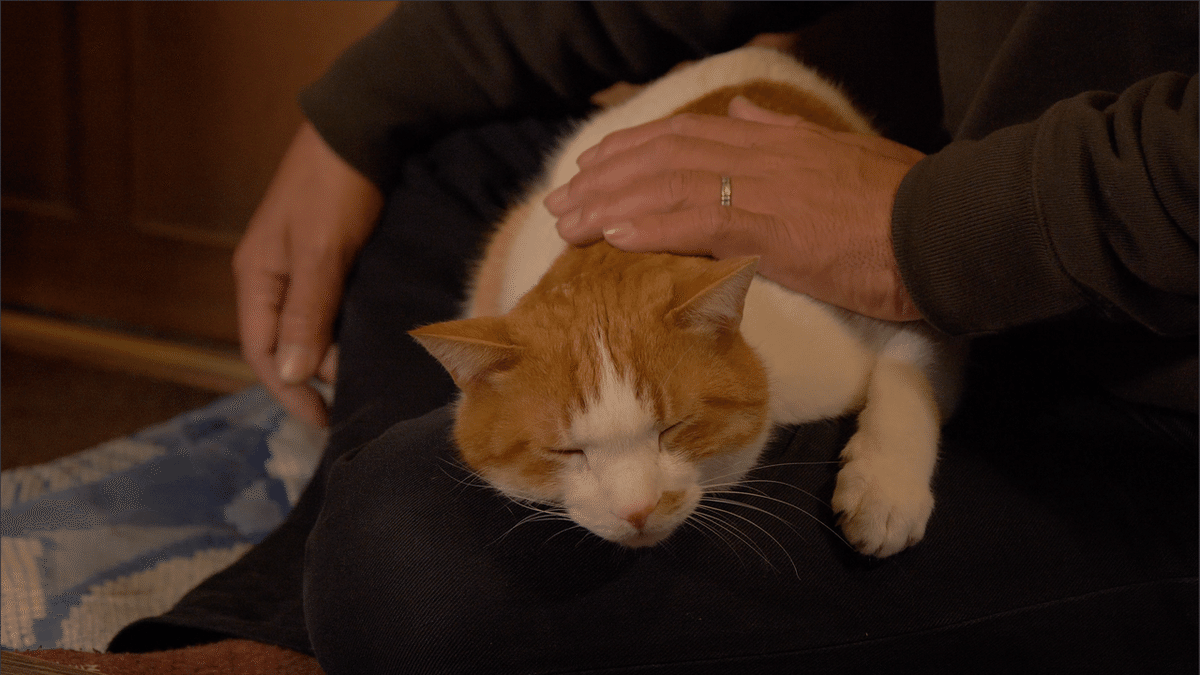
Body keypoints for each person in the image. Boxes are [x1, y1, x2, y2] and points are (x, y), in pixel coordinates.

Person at [108, 3, 1196, 673]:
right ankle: (298, 609)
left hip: (1146, 381)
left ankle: (318, 604)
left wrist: (940, 228)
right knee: (447, 149)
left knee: (413, 564)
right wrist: (355, 113)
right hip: (938, 202)